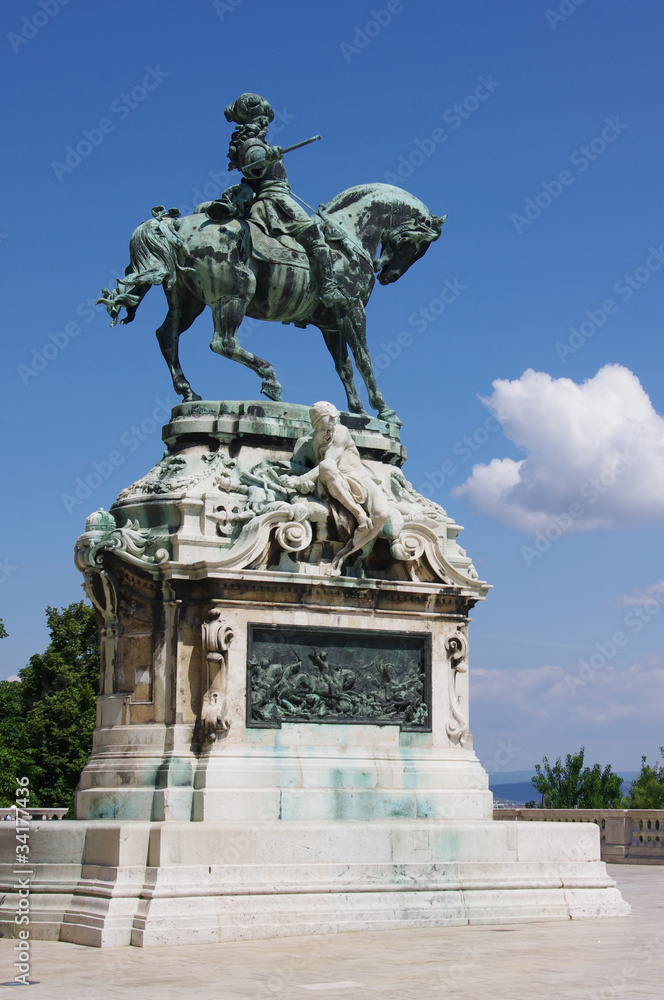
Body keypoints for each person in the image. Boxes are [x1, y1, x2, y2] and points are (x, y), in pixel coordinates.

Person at [203, 92, 346, 311]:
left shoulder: (255, 141)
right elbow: (252, 163)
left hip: (276, 198)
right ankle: (328, 289)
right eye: (264, 120)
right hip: (275, 202)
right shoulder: (252, 143)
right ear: (257, 120)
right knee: (315, 236)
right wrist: (268, 156)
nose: (266, 124)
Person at [280, 401, 390, 567]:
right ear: (316, 423)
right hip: (331, 481)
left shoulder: (341, 431)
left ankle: (355, 552)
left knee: (381, 514)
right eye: (328, 420)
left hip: (360, 479)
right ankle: (359, 515)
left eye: (334, 419)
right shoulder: (304, 445)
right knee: (326, 467)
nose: (333, 424)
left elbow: (331, 459)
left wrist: (300, 480)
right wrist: (299, 481)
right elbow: (300, 468)